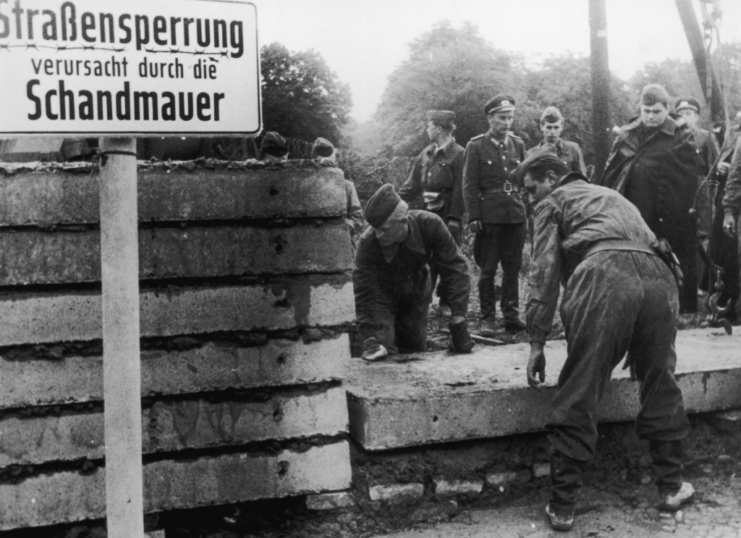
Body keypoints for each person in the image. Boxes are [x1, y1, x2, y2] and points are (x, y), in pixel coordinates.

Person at [520, 149, 694, 532]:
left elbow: (544, 273)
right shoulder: (611, 196)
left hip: (606, 274)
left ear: (551, 177)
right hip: (661, 278)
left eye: (531, 189)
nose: (531, 197)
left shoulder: (553, 201)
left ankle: (562, 505)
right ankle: (671, 486)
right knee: (660, 379)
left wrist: (536, 341)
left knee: (581, 382)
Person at [599, 84, 699, 313]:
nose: (651, 116)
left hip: (668, 214)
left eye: (656, 111)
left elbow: (686, 182)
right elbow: (611, 173)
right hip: (633, 211)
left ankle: (672, 310)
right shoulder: (627, 134)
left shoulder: (680, 136)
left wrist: (670, 216)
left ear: (666, 109)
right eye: (646, 111)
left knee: (667, 266)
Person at [353, 184, 473, 360]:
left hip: (416, 291)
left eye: (385, 229)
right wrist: (369, 336)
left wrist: (458, 318)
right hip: (380, 296)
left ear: (402, 221)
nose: (378, 235)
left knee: (415, 353)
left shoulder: (430, 225)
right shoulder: (367, 243)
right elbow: (363, 291)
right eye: (376, 229)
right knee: (383, 354)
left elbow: (456, 268)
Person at [463, 94, 527, 333]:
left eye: (510, 118)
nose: (507, 123)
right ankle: (487, 317)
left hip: (515, 215)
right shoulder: (476, 145)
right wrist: (474, 216)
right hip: (489, 216)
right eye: (502, 118)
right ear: (490, 118)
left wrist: (525, 211)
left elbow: (522, 180)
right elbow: (469, 185)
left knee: (513, 267)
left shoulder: (518, 144)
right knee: (488, 269)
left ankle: (511, 316)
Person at [399, 110, 466, 316]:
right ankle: (425, 299)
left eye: (429, 125)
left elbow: (461, 188)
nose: (427, 129)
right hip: (428, 213)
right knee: (425, 257)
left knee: (448, 258)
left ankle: (446, 302)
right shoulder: (426, 153)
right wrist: (395, 202)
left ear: (439, 127)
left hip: (448, 212)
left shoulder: (460, 153)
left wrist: (455, 217)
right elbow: (412, 185)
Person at [675, 97, 721, 251]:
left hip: (700, 186)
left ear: (696, 117)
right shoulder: (672, 137)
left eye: (689, 113)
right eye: (681, 114)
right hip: (677, 184)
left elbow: (714, 164)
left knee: (703, 229)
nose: (685, 117)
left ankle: (705, 266)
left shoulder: (705, 136)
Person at [311, 137, 365, 248]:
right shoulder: (307, 185)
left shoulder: (347, 186)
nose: (327, 166)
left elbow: (357, 219)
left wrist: (341, 225)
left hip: (339, 243)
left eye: (330, 162)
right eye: (323, 162)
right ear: (315, 162)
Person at [527, 106, 587, 176]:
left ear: (561, 126)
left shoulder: (573, 150)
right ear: (541, 127)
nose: (552, 131)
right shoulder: (531, 154)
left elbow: (583, 179)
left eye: (556, 127)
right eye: (549, 127)